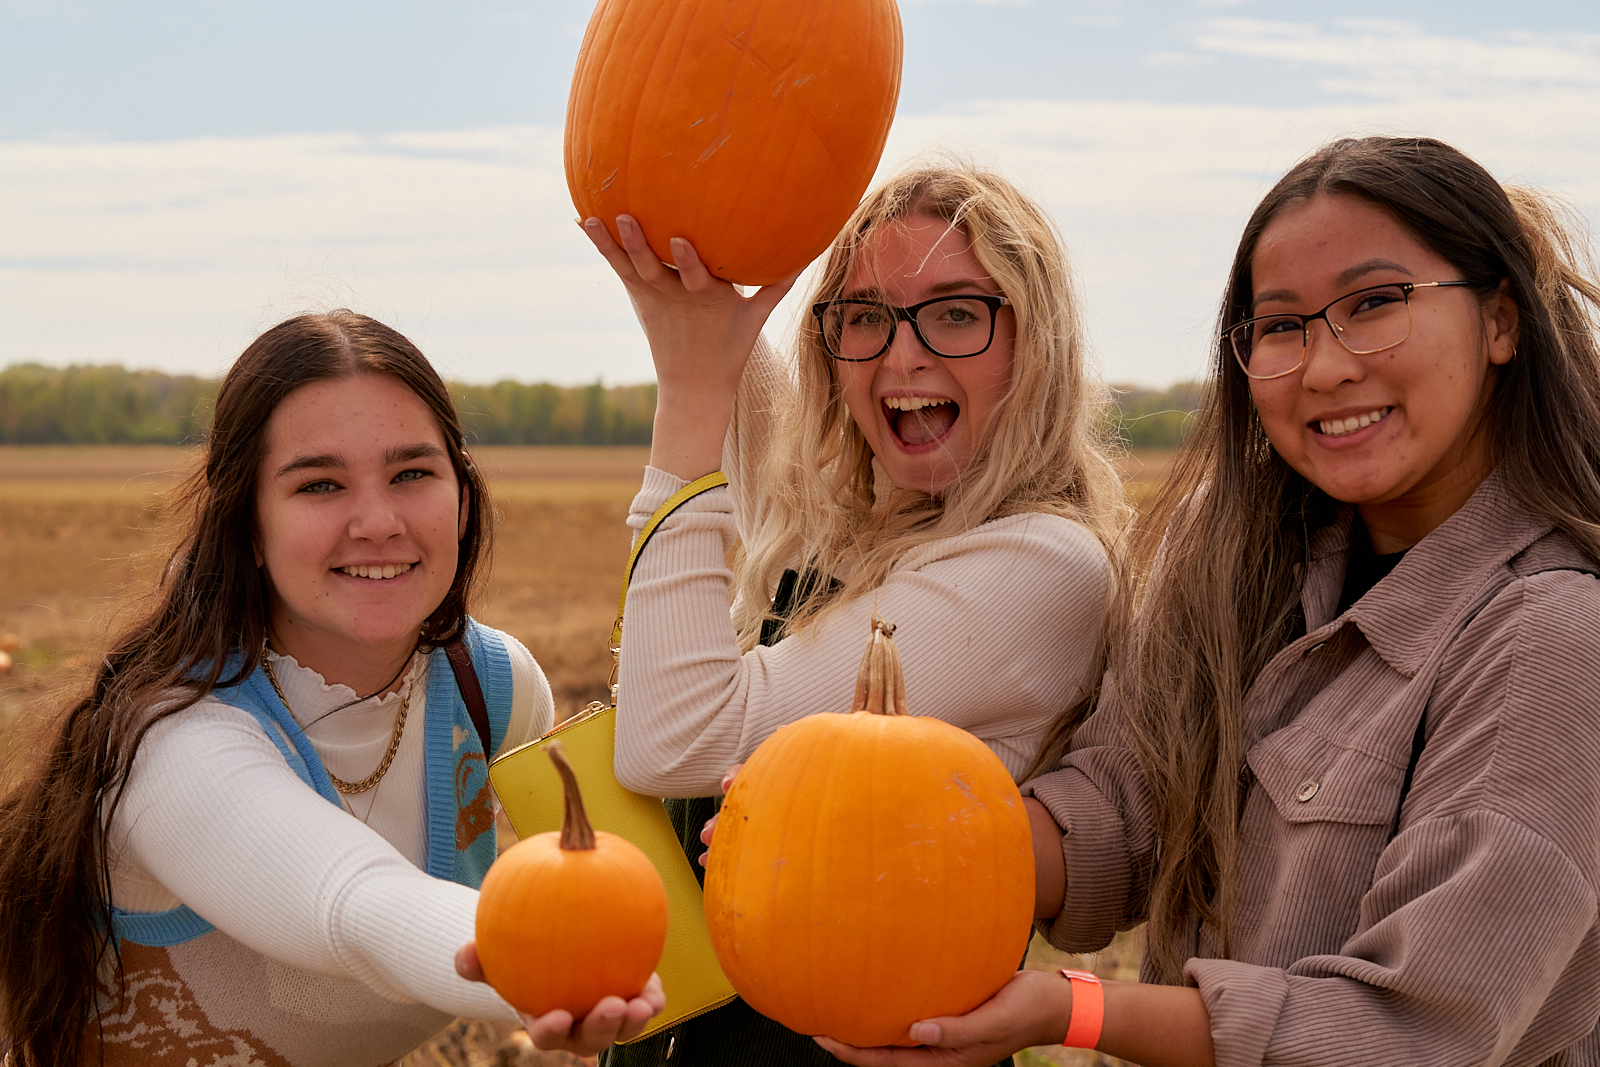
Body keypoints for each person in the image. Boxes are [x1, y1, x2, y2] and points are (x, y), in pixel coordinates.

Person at [815, 135, 1600, 1067]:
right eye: (1283, 325)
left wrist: (1071, 1011)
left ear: (1502, 319)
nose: (1325, 367)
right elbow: (1124, 805)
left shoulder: (1551, 638)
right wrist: (871, 825)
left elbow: (1406, 1035)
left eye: (1376, 304)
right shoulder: (1226, 553)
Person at [0, 311, 662, 1067]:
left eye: (412, 473)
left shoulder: (493, 688)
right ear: (247, 525)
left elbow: (635, 902)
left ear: (463, 498)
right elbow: (356, 906)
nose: (377, 521)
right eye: (320, 484)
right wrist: (547, 974)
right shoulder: (171, 741)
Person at [582, 162, 1127, 1065]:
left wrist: (684, 404)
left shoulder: (1040, 565)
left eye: (956, 312)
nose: (902, 355)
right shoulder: (847, 516)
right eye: (866, 317)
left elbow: (671, 738)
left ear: (1036, 343)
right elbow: (714, 319)